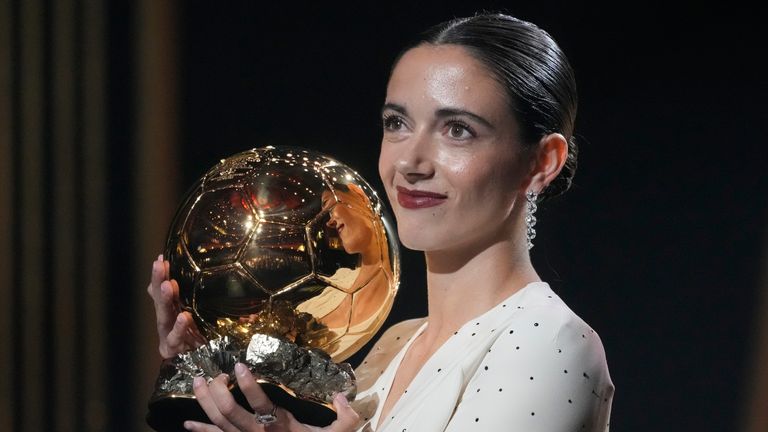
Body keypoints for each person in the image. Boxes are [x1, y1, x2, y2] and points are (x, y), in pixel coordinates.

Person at [148, 12, 614, 432]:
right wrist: (205, 365)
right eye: (397, 123)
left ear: (542, 161)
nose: (410, 161)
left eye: (458, 130)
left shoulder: (547, 341)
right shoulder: (396, 342)